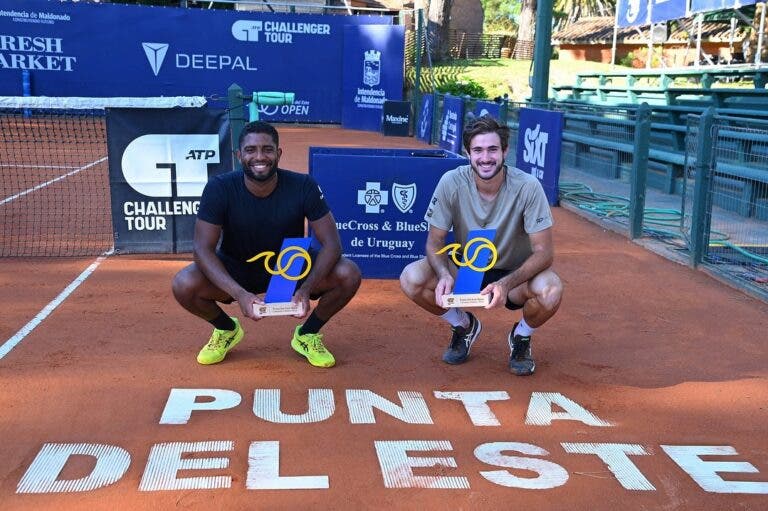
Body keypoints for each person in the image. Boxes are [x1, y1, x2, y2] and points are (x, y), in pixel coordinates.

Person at [172, 121, 361, 368]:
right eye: (250, 150)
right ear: (240, 155)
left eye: (267, 149)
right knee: (184, 284)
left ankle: (307, 334)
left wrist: (305, 289)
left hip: (288, 269)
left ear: (278, 153)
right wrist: (238, 293)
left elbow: (332, 245)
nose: (259, 157)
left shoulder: (304, 185)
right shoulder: (219, 188)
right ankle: (227, 329)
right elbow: (201, 249)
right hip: (237, 268)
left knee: (348, 274)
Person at [399, 115, 562, 376]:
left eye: (492, 149)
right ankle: (463, 325)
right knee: (412, 278)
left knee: (551, 290)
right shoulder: (451, 182)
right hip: (467, 270)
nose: (485, 158)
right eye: (478, 150)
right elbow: (434, 241)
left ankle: (521, 337)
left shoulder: (528, 186)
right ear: (467, 153)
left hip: (515, 276)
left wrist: (506, 283)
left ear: (505, 151)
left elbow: (545, 253)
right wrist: (442, 274)